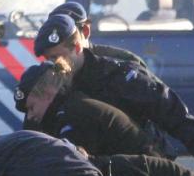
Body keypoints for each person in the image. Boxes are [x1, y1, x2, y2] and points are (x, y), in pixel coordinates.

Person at [32, 14, 194, 176]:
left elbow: (175, 114)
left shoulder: (121, 77)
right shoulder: (54, 88)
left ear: (76, 47)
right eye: (48, 59)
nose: (53, 65)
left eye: (57, 57)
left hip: (141, 174)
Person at [15, 59, 162, 157]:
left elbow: (73, 165)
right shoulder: (72, 104)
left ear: (47, 94)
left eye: (32, 108)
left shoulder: (74, 114)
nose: (30, 116)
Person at [49, 2, 148, 68]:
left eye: (67, 36)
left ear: (85, 31)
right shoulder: (50, 70)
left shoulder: (124, 63)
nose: (60, 44)